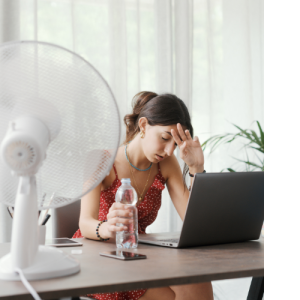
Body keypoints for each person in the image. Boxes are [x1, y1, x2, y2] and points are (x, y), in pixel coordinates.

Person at [73, 91, 214, 300]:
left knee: (197, 280)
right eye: (165, 138)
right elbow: (85, 223)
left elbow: (194, 221)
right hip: (100, 255)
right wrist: (108, 227)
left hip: (137, 254)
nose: (168, 151)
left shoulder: (166, 163)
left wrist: (196, 167)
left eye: (174, 144)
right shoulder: (101, 159)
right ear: (143, 125)